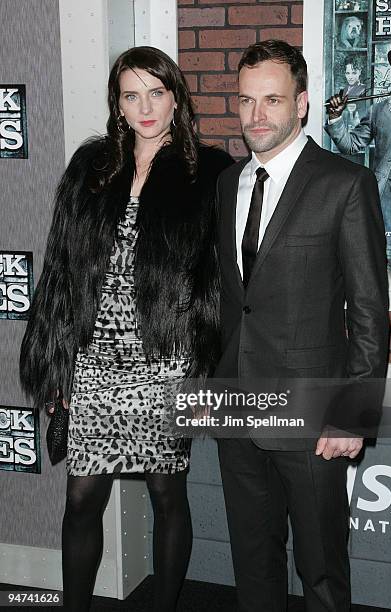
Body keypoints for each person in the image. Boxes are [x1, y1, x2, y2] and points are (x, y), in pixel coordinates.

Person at [19, 46, 232, 612]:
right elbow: (61, 270)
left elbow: (220, 279)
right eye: (131, 94)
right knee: (82, 496)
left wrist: (203, 368)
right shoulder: (90, 169)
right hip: (93, 361)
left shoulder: (208, 172)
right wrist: (59, 360)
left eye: (156, 93)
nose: (145, 106)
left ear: (176, 99)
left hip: (165, 360)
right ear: (116, 103)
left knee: (167, 492)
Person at [215, 39, 389, 612]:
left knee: (320, 569)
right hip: (236, 406)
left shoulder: (344, 184)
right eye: (245, 101)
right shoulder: (228, 185)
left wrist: (352, 412)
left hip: (313, 413)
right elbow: (236, 301)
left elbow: (367, 310)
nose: (255, 116)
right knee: (253, 566)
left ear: (304, 103)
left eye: (271, 100)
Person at [325, 27, 391, 238]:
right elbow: (349, 145)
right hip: (385, 199)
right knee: (383, 260)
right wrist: (336, 117)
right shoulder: (378, 110)